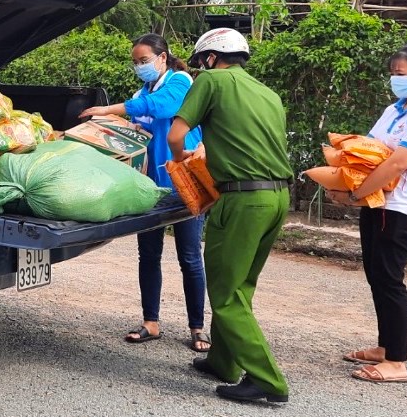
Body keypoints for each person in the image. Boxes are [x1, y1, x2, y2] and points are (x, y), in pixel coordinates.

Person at [168, 28, 292, 404]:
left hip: (240, 201)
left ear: (210, 57)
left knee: (223, 291)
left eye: (201, 60)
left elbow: (177, 136)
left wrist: (183, 168)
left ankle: (268, 380)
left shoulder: (211, 80)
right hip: (278, 198)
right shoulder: (268, 94)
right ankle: (223, 361)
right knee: (241, 284)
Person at [327, 45, 407, 384]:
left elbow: (397, 162)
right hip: (378, 203)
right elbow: (366, 150)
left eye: (400, 74)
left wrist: (355, 193)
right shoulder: (396, 109)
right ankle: (385, 347)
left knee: (389, 280)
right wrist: (345, 182)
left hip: (402, 208)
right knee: (377, 276)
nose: (394, 80)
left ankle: (396, 362)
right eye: (393, 74)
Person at [80, 33, 209, 353]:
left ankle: (197, 327)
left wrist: (113, 107)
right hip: (149, 188)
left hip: (184, 184)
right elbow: (136, 134)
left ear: (163, 57)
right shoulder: (141, 92)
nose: (139, 67)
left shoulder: (181, 81)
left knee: (190, 257)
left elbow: (164, 107)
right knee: (148, 255)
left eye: (144, 61)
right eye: (135, 63)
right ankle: (151, 322)